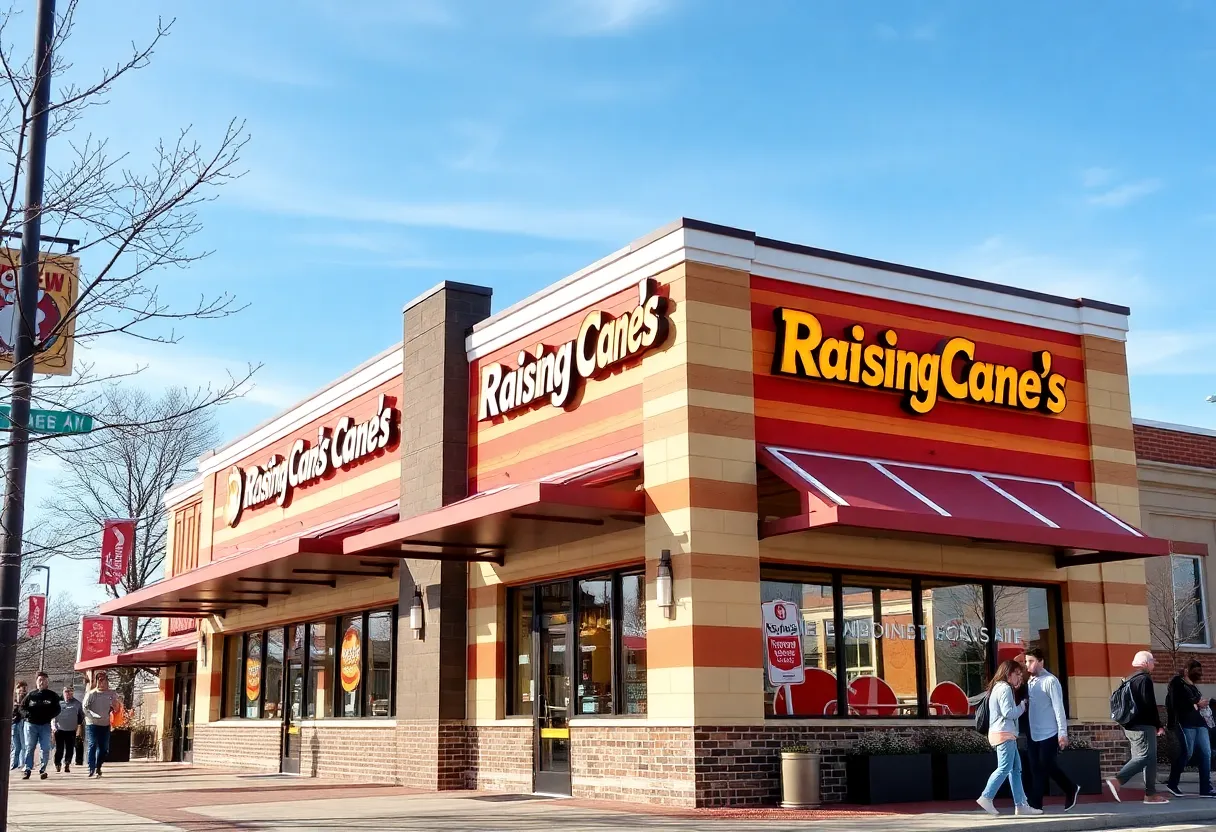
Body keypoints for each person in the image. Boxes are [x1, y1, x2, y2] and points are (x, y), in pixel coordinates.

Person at [977, 659, 1042, 816]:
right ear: (1008, 674)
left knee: (1015, 769)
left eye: (1020, 674)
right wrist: (1022, 706)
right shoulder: (1004, 688)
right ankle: (986, 796)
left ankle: (1021, 805)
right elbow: (1008, 713)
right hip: (1004, 733)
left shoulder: (998, 687)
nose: (1019, 677)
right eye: (1017, 674)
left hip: (1003, 733)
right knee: (1005, 767)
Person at [1106, 650, 1169, 804]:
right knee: (1144, 756)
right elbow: (1149, 705)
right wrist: (1158, 725)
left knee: (1150, 759)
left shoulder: (1129, 679)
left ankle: (1150, 794)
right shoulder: (1144, 679)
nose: (1154, 665)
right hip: (1143, 726)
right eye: (1153, 662)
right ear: (1146, 663)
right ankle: (1118, 780)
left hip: (1130, 725)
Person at [1024, 647, 1080, 812]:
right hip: (1033, 732)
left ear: (1041, 662)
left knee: (1047, 765)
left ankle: (1070, 788)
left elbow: (1058, 708)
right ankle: (1036, 805)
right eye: (1026, 661)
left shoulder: (1050, 681)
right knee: (1035, 768)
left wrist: (1062, 733)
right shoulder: (1030, 682)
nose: (1027, 665)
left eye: (1031, 661)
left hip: (1049, 732)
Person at [1165, 660, 1214, 798]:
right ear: (1186, 670)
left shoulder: (1193, 686)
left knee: (1206, 753)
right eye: (1196, 670)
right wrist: (1196, 703)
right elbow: (1175, 703)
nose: (1198, 673)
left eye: (1199, 671)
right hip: (1185, 723)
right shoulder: (1177, 683)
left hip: (1200, 723)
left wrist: (1202, 703)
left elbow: (1196, 702)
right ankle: (1172, 783)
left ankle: (1205, 788)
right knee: (1187, 753)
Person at [20, 671, 61, 780]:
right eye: (40, 680)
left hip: (45, 725)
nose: (42, 682)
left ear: (47, 682)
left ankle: (43, 770)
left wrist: (50, 716)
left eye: (44, 680)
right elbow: (21, 708)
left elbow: (58, 709)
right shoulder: (31, 695)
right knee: (29, 747)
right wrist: (27, 715)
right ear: (36, 682)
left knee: (45, 748)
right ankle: (27, 769)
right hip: (31, 725)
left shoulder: (52, 695)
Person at [82, 672, 121, 778]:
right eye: (99, 679)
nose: (101, 682)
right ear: (96, 681)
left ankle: (98, 766)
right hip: (92, 724)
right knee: (92, 744)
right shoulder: (91, 694)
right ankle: (91, 768)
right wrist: (93, 716)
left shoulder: (111, 694)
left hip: (105, 724)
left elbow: (117, 709)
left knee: (104, 748)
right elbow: (85, 708)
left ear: (107, 681)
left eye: (103, 679)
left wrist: (115, 704)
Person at [53, 685, 82, 774]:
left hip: (71, 730)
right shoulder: (58, 703)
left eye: (70, 692)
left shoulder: (77, 704)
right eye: (66, 692)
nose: (68, 694)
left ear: (72, 693)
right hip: (60, 730)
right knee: (59, 748)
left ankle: (67, 763)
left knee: (70, 748)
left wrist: (79, 729)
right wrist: (53, 727)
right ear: (63, 692)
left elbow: (80, 718)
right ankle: (57, 763)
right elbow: (53, 717)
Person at [9, 681, 26, 771]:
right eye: (19, 688)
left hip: (23, 723)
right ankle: (13, 765)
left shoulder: (26, 700)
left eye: (23, 689)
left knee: (23, 745)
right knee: (15, 746)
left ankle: (22, 764)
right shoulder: (12, 700)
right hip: (14, 724)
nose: (21, 691)